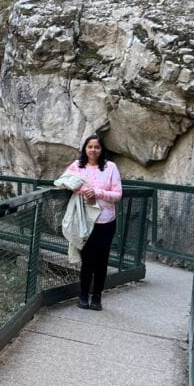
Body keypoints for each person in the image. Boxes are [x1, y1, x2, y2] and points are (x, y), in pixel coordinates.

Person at [67, 133, 122, 311]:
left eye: (97, 147)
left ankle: (97, 297)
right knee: (87, 260)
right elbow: (65, 181)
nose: (93, 150)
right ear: (85, 148)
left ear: (101, 149)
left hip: (106, 222)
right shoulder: (77, 166)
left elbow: (117, 194)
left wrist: (97, 192)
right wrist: (85, 190)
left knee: (102, 261)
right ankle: (83, 295)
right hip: (85, 221)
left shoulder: (110, 167)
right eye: (90, 146)